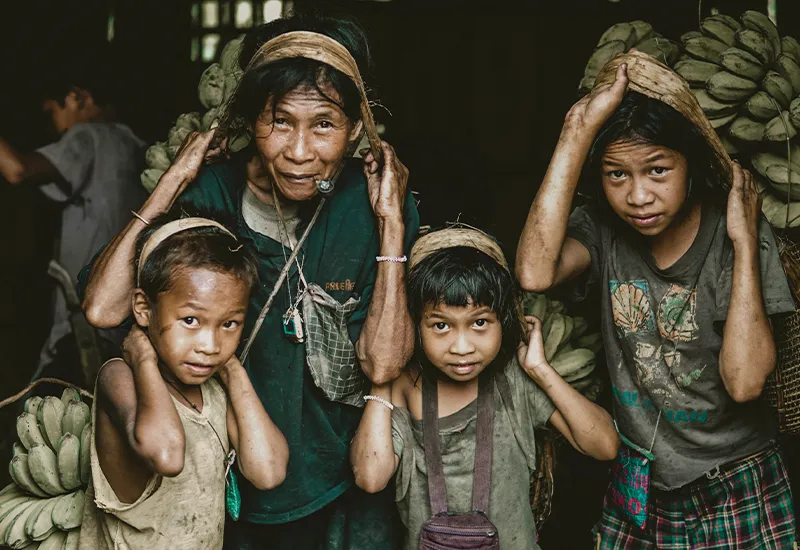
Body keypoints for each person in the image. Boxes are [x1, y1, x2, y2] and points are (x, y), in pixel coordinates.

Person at [80, 12, 419, 549]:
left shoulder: (370, 206)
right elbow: (103, 309)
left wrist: (393, 227)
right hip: (226, 480)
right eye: (280, 122)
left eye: (324, 125)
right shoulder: (211, 194)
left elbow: (382, 364)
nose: (300, 151)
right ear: (249, 120)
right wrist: (173, 181)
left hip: (345, 480)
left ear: (356, 129)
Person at [516, 56, 797, 548]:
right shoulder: (603, 231)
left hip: (737, 481)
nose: (638, 195)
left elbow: (746, 381)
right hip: (641, 481)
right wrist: (575, 132)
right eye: (616, 174)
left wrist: (745, 242)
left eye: (658, 169)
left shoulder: (735, 237)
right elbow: (534, 272)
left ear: (690, 164)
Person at [350, 227, 619, 549]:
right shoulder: (404, 388)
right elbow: (370, 477)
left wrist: (540, 369)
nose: (462, 347)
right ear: (414, 327)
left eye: (479, 323)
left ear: (504, 321)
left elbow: (604, 446)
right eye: (441, 325)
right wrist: (383, 374)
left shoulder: (515, 382)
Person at [79, 215, 289, 550]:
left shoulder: (217, 389)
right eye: (190, 320)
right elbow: (166, 455)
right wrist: (143, 359)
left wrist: (232, 369)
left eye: (229, 324)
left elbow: (268, 472)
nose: (209, 344)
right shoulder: (118, 376)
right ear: (144, 309)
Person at [0, 55, 147, 377]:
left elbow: (18, 170)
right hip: (123, 306)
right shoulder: (133, 142)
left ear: (78, 97)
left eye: (55, 110)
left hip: (84, 308)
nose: (55, 123)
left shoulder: (86, 136)